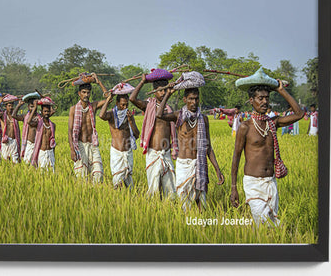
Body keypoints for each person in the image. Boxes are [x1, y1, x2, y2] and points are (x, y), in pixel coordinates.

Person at [229, 70, 305, 226]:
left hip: (271, 182)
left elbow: (299, 114)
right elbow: (236, 158)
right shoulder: (245, 127)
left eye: (267, 98)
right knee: (263, 223)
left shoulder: (273, 122)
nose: (264, 102)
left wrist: (281, 90)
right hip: (253, 183)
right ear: (251, 100)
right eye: (260, 98)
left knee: (271, 225)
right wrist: (233, 188)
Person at [161, 72, 224, 209]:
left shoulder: (204, 119)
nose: (194, 102)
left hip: (200, 164)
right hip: (184, 164)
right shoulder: (179, 116)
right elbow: (159, 114)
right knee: (184, 204)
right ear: (185, 99)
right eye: (190, 99)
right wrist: (168, 93)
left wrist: (217, 169)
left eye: (196, 99)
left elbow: (208, 147)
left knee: (201, 200)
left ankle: (201, 227)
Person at [129, 68, 177, 198]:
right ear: (155, 92)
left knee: (170, 192)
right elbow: (132, 98)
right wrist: (142, 82)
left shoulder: (169, 110)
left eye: (165, 90)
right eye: (160, 90)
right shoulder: (148, 105)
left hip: (165, 153)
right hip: (153, 153)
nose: (163, 93)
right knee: (154, 190)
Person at [98, 81, 140, 188]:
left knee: (128, 181)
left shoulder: (129, 115)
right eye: (122, 105)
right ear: (117, 104)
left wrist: (131, 121)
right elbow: (101, 115)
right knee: (118, 182)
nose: (125, 107)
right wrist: (108, 100)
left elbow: (136, 134)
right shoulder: (112, 114)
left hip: (128, 152)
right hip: (117, 152)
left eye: (126, 105)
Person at [67, 75, 103, 182]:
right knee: (82, 177)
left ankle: (96, 195)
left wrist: (98, 82)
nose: (86, 95)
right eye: (83, 92)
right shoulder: (73, 109)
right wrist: (72, 149)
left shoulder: (94, 106)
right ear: (79, 93)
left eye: (88, 92)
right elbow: (69, 130)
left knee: (98, 173)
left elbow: (108, 97)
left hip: (92, 145)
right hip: (80, 145)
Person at [24, 96, 57, 170]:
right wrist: (34, 108)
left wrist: (53, 155)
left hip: (50, 152)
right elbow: (28, 122)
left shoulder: (52, 125)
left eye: (48, 111)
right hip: (42, 152)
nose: (47, 113)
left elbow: (53, 141)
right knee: (42, 173)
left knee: (52, 173)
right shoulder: (38, 123)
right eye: (45, 111)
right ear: (41, 112)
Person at [0, 95, 23, 163]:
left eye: (12, 106)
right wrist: (0, 102)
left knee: (15, 161)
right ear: (5, 107)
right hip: (6, 140)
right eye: (9, 106)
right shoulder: (3, 115)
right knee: (5, 159)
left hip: (14, 141)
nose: (11, 107)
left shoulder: (15, 116)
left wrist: (19, 105)